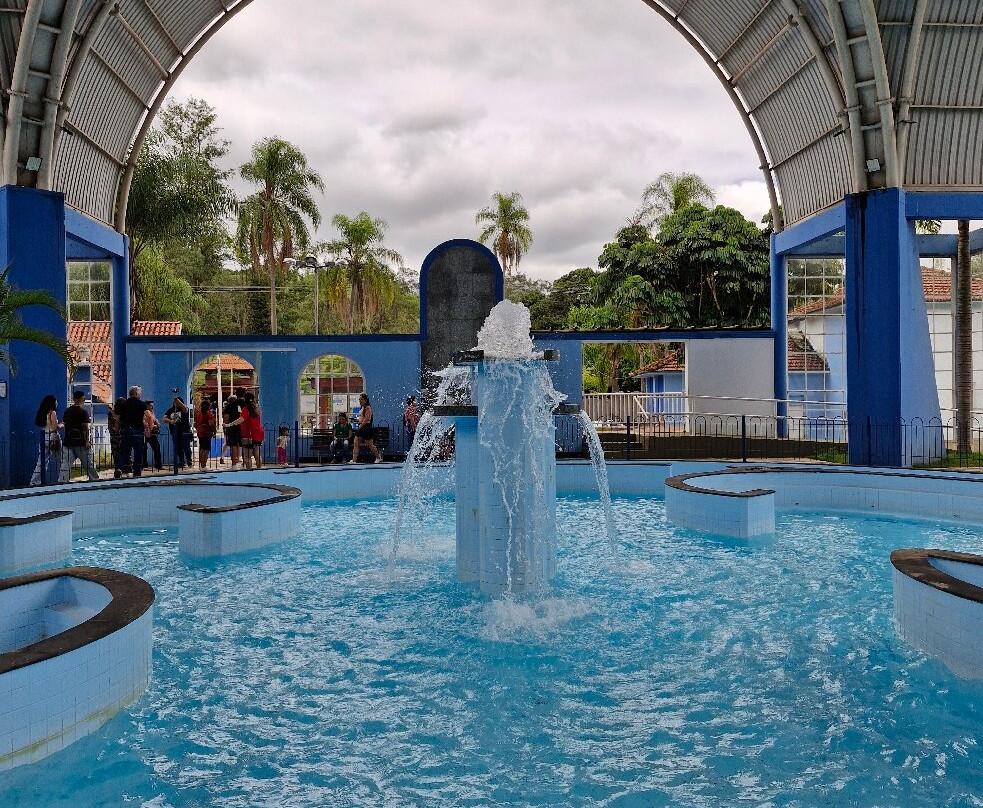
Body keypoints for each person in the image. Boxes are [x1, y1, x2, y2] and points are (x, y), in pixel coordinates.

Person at [60, 390, 100, 482]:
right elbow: (85, 428)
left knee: (65, 463)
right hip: (80, 441)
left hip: (68, 441)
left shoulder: (67, 411)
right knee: (88, 463)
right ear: (83, 399)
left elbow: (65, 424)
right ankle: (94, 480)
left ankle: (62, 481)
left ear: (74, 399)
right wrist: (87, 441)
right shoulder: (83, 412)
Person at [30, 395, 63, 486]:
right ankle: (63, 479)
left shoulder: (42, 413)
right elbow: (55, 427)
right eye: (56, 401)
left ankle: (34, 482)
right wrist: (62, 424)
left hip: (43, 436)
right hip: (53, 437)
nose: (57, 403)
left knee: (41, 462)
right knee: (61, 460)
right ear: (52, 403)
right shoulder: (52, 413)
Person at [116, 386, 147, 477]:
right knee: (138, 452)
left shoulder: (124, 404)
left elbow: (118, 418)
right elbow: (148, 416)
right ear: (136, 393)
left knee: (124, 452)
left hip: (125, 430)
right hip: (137, 431)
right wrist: (149, 427)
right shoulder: (141, 404)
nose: (140, 395)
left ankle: (120, 469)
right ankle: (137, 472)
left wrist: (117, 430)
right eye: (139, 393)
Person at [349, 393, 382, 464]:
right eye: (359, 399)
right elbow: (362, 418)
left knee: (369, 445)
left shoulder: (368, 408)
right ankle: (354, 460)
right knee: (356, 443)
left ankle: (378, 457)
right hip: (361, 427)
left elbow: (367, 418)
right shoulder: (362, 408)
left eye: (361, 399)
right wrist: (356, 420)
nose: (360, 401)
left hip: (366, 428)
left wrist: (361, 425)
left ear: (365, 400)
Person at [163, 396, 192, 469]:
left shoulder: (184, 410)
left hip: (184, 431)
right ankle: (181, 461)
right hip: (175, 432)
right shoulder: (171, 410)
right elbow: (164, 418)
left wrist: (176, 398)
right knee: (178, 448)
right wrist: (170, 421)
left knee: (186, 447)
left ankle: (189, 461)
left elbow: (184, 408)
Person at [239, 393, 264, 470]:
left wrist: (229, 424)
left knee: (247, 456)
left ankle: (249, 471)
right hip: (257, 434)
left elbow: (241, 420)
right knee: (257, 454)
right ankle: (259, 469)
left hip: (247, 434)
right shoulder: (258, 409)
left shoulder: (245, 410)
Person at [194, 399, 216, 471]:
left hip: (200, 432)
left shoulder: (199, 414)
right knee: (206, 449)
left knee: (201, 449)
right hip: (207, 432)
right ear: (208, 407)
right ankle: (204, 466)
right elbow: (211, 424)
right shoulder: (209, 414)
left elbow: (195, 424)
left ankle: (200, 465)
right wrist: (214, 431)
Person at [223, 394, 242, 468]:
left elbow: (226, 418)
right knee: (239, 444)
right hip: (239, 427)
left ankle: (234, 463)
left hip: (231, 428)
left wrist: (226, 425)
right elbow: (241, 415)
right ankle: (238, 460)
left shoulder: (227, 407)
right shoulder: (238, 406)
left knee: (233, 445)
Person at [143, 401, 163, 471]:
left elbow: (154, 420)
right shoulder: (144, 413)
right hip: (145, 432)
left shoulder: (152, 413)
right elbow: (143, 422)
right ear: (147, 406)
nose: (152, 407)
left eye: (152, 405)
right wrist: (152, 425)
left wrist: (157, 423)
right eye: (150, 405)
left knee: (157, 447)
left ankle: (158, 464)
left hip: (152, 433)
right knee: (144, 449)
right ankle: (144, 464)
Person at [109, 397, 126, 478]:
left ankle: (117, 470)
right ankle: (126, 469)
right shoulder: (124, 414)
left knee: (116, 454)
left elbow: (109, 426)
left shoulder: (111, 414)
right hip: (123, 436)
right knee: (125, 453)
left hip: (114, 437)